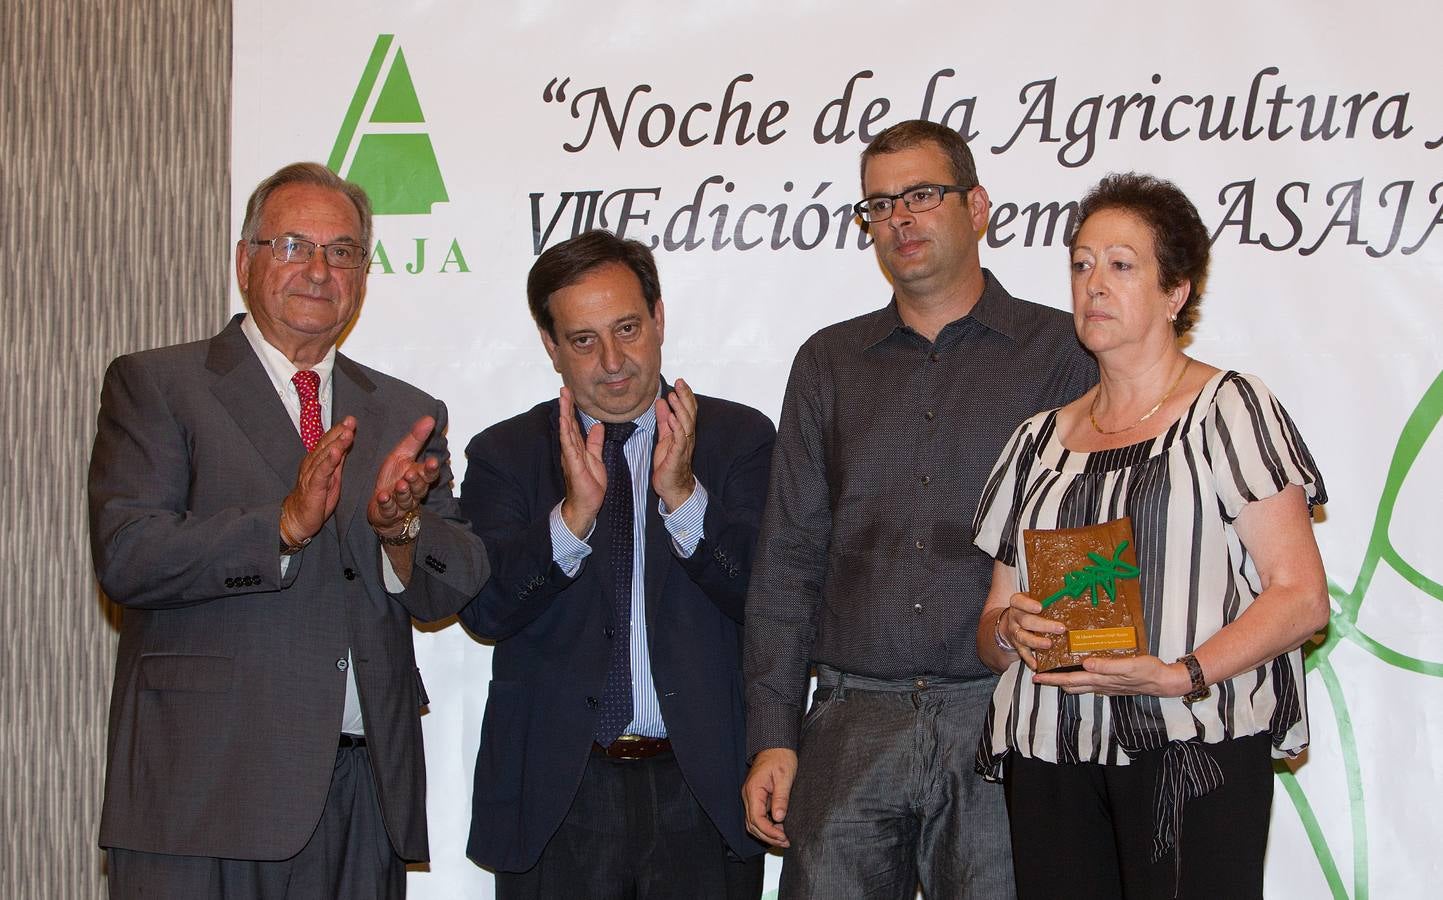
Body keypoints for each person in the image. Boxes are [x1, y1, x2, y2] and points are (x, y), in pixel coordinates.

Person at [88, 162, 491, 898]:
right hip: (205, 791)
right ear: (246, 261)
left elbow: (450, 589)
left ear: (362, 275)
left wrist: (401, 528)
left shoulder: (404, 411)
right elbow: (128, 555)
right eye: (293, 245)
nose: (318, 269)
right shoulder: (158, 385)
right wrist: (281, 525)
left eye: (342, 252)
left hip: (362, 793)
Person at [741, 119, 1098, 898]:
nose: (898, 218)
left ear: (977, 208)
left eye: (921, 196)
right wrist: (772, 737)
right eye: (877, 204)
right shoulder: (827, 363)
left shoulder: (1063, 352)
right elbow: (786, 563)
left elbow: (1085, 549)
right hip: (849, 719)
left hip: (1003, 715)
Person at [972, 172, 1330, 899]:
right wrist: (1011, 628)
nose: (1093, 283)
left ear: (1175, 293)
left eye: (1120, 264)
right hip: (1050, 750)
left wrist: (1181, 673)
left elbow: (1300, 598)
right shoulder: (1035, 441)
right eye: (1080, 263)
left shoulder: (1229, 408)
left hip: (1189, 743)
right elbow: (990, 625)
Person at [458, 229, 774, 899]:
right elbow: (484, 611)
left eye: (627, 328)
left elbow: (770, 603)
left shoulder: (739, 440)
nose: (611, 360)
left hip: (703, 792)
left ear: (658, 319)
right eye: (582, 340)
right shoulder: (505, 454)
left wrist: (686, 498)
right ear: (550, 347)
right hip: (559, 797)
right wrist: (569, 519)